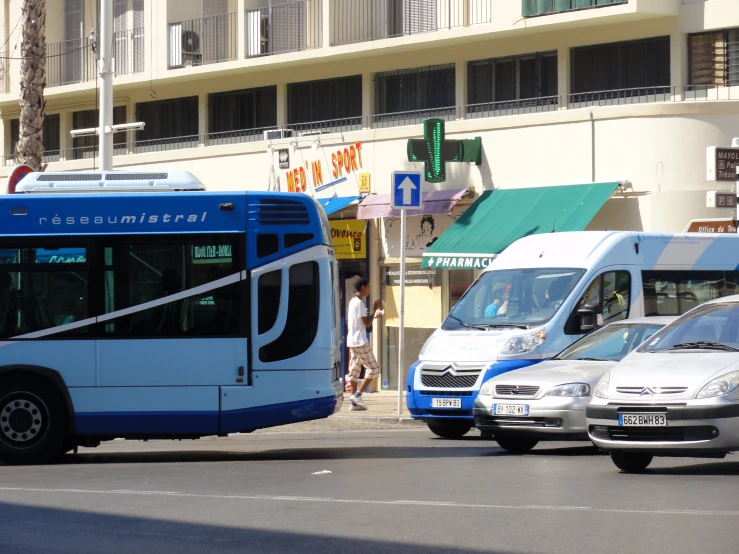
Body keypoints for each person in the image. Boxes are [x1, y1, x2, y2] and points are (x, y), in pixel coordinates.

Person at [346, 277, 383, 411]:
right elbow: (367, 324)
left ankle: (353, 403)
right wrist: (374, 309)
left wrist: (373, 315)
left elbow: (363, 320)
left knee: (354, 371)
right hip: (360, 340)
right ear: (363, 287)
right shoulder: (359, 304)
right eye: (368, 287)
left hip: (352, 340)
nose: (369, 290)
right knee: (373, 368)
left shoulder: (352, 302)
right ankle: (357, 395)